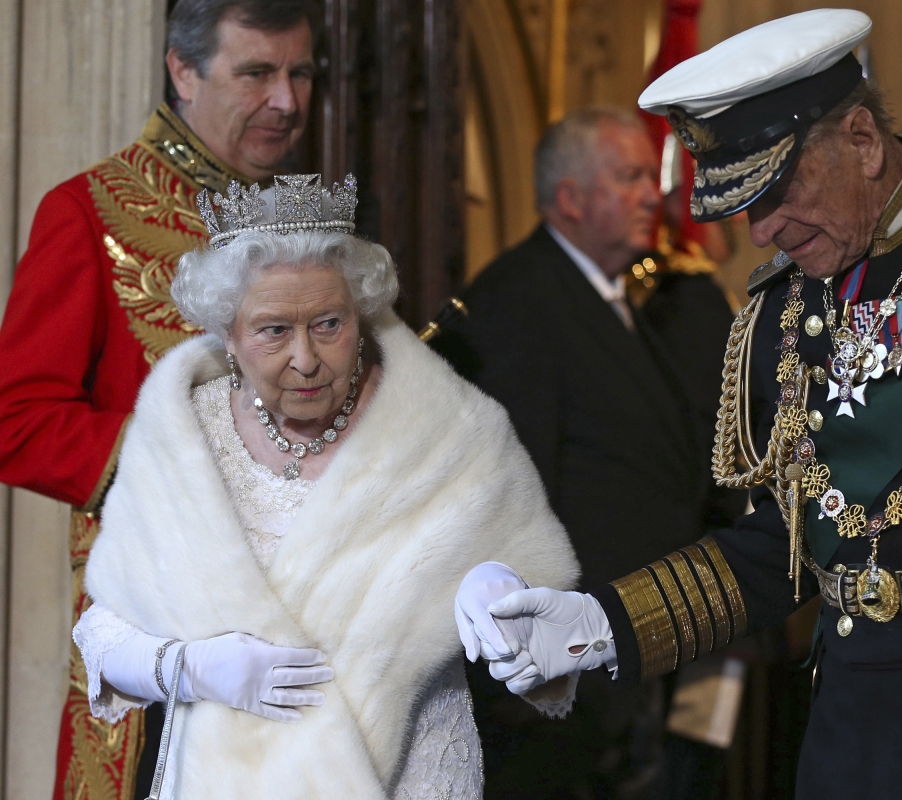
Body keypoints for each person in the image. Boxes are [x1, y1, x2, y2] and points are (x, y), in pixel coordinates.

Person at [455, 9, 902, 799]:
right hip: (855, 746)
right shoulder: (787, 307)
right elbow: (790, 543)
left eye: (778, 190)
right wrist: (603, 625)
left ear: (862, 140)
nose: (764, 230)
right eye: (743, 206)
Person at [71, 173, 578, 798]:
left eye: (329, 323)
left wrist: (504, 591)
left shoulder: (447, 430)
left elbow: (547, 626)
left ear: (361, 314)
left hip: (406, 773)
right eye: (273, 331)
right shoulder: (184, 439)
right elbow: (104, 632)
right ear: (227, 334)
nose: (307, 359)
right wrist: (193, 668)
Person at [0, 1, 318, 794]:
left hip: (306, 633)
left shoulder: (318, 224)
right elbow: (18, 420)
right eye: (257, 73)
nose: (287, 100)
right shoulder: (88, 211)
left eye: (301, 73)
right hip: (156, 640)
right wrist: (189, 458)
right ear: (183, 70)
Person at [434, 107, 738, 797]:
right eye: (628, 177)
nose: (653, 196)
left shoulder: (620, 298)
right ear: (570, 198)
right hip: (562, 679)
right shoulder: (517, 304)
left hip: (631, 648)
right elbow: (512, 498)